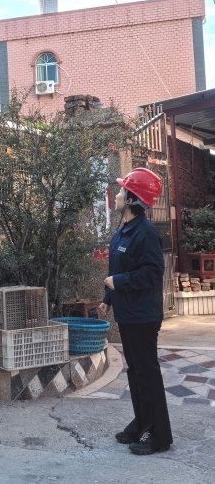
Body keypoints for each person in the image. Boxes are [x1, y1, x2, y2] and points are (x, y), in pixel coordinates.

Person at [99, 167, 173, 456]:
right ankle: (142, 423)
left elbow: (152, 273)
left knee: (147, 373)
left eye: (121, 191)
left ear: (131, 199)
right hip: (128, 313)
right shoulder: (123, 231)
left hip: (143, 316)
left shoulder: (145, 233)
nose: (117, 194)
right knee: (136, 372)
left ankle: (158, 435)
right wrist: (108, 298)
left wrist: (119, 282)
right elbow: (115, 268)